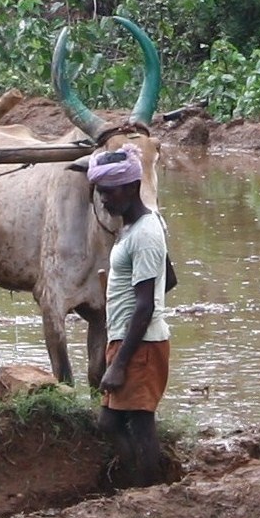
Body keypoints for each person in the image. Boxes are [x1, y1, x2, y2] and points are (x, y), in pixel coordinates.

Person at [86, 143, 173, 488]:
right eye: (100, 192)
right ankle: (141, 485)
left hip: (141, 344)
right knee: (116, 422)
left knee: (136, 422)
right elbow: (169, 279)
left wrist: (121, 362)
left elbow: (147, 304)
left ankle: (147, 491)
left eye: (109, 191)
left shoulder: (146, 234)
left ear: (133, 187)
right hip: (128, 338)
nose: (103, 200)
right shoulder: (135, 229)